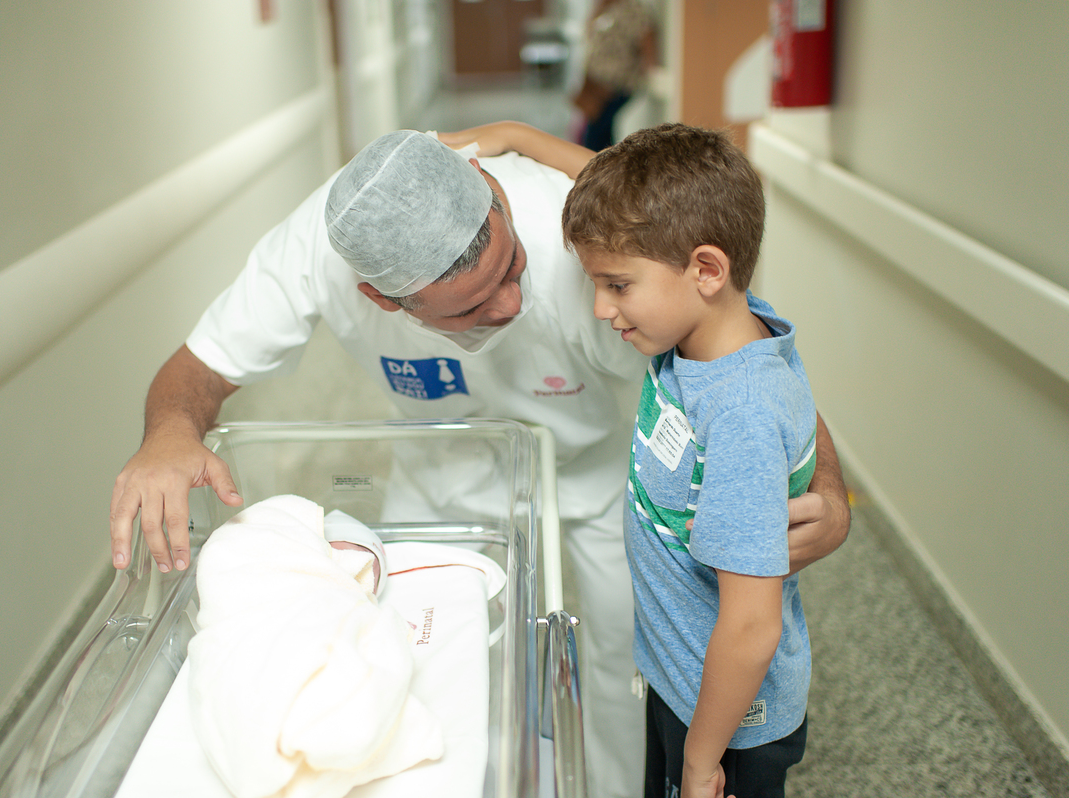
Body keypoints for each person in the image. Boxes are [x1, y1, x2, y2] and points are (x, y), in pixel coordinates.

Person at [109, 128, 850, 798]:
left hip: (596, 474)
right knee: (418, 650)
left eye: (512, 267)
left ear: (496, 196)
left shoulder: (577, 240)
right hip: (439, 471)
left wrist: (828, 487)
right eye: (469, 307)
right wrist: (167, 435)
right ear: (383, 300)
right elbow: (199, 367)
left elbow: (744, 355)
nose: (508, 303)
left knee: (623, 658)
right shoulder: (318, 254)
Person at [564, 123, 814, 798]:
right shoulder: (707, 329)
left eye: (617, 285)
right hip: (680, 675)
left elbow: (752, 624)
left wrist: (703, 761)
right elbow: (622, 194)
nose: (601, 308)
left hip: (727, 720)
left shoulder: (740, 415)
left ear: (706, 270)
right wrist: (516, 137)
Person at [573, 0, 658, 150]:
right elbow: (589, 31)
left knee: (596, 133)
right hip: (595, 83)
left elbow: (647, 42)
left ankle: (598, 162)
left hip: (617, 84)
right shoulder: (605, 7)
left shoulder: (636, 9)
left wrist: (652, 71)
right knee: (600, 131)